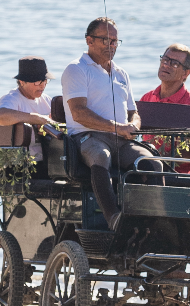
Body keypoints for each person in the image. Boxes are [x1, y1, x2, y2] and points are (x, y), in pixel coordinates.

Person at [61, 18, 163, 229]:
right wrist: (116, 127)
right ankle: (114, 219)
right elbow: (78, 113)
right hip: (87, 137)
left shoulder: (121, 73)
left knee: (152, 164)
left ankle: (154, 221)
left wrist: (133, 125)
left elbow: (133, 112)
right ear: (89, 40)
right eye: (105, 40)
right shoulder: (76, 69)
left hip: (121, 139)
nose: (112, 46)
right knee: (101, 155)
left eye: (115, 41)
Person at [140, 44, 190, 173]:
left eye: (175, 63)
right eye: (165, 59)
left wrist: (155, 162)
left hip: (175, 177)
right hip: (145, 168)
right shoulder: (147, 98)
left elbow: (187, 155)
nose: (166, 65)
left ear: (186, 73)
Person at [0, 57, 55, 155]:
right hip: (21, 163)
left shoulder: (47, 100)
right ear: (22, 82)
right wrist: (37, 119)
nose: (42, 85)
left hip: (47, 160)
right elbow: (0, 117)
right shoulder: (12, 98)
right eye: (37, 81)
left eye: (45, 81)